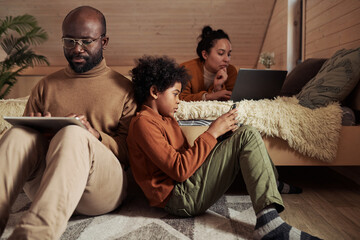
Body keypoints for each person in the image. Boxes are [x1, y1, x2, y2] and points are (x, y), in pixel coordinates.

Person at [127, 55, 321, 240]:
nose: (179, 101)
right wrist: (212, 132)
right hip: (177, 198)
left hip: (186, 186)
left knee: (243, 132)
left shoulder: (165, 118)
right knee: (247, 135)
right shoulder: (143, 123)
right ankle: (268, 223)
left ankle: (270, 182)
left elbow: (189, 158)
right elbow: (180, 170)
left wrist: (221, 138)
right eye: (175, 94)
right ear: (154, 92)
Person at [0, 6, 136, 239]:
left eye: (86, 41)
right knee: (17, 134)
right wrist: (36, 131)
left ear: (104, 42)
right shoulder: (46, 85)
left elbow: (130, 153)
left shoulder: (125, 89)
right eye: (69, 41)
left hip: (101, 188)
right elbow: (26, 152)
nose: (77, 49)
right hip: (49, 185)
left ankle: (34, 235)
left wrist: (94, 135)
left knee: (73, 134)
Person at [180, 26, 238, 101]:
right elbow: (181, 99)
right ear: (205, 55)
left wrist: (218, 87)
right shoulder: (186, 69)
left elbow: (232, 101)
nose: (227, 59)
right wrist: (208, 96)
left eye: (229, 54)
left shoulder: (231, 71)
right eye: (221, 53)